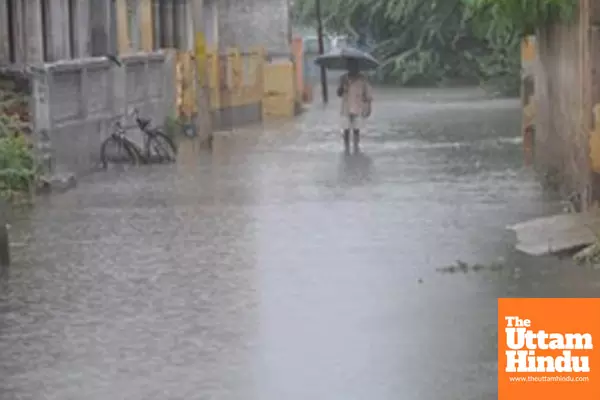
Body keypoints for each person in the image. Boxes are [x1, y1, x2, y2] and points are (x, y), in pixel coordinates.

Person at [336, 59, 373, 150]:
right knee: (346, 130)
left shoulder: (363, 79)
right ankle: (346, 148)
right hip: (346, 108)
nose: (352, 68)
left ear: (357, 68)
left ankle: (356, 147)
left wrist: (368, 108)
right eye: (350, 66)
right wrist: (342, 85)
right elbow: (339, 93)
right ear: (348, 68)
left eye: (354, 66)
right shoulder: (343, 78)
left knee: (356, 130)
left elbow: (368, 95)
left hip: (358, 108)